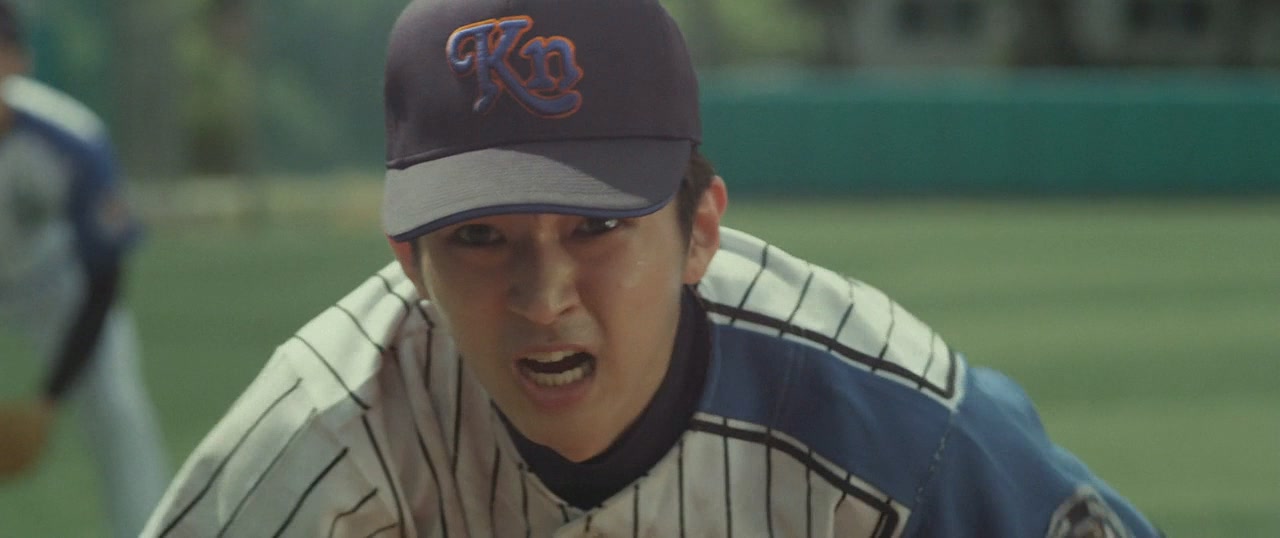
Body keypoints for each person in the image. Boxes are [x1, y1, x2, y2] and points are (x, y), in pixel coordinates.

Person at [144, 0, 1163, 535]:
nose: (543, 296)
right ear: (410, 261)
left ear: (700, 233)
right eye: (480, 238)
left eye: (595, 227)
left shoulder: (895, 432)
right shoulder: (323, 435)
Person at [0, 2, 169, 536]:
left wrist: (48, 398)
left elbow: (104, 278)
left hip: (55, 284)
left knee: (117, 407)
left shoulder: (70, 138)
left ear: (18, 61)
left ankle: (147, 529)